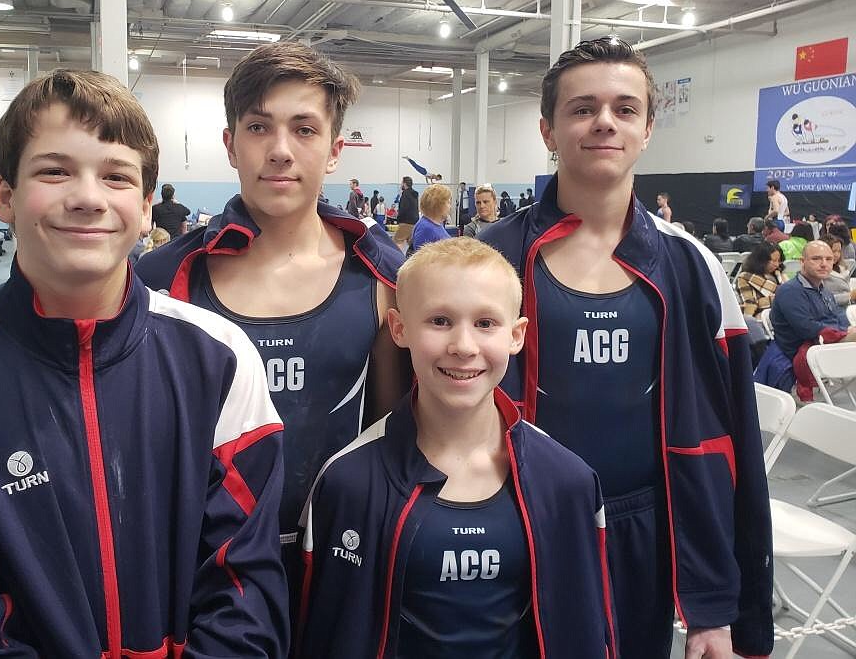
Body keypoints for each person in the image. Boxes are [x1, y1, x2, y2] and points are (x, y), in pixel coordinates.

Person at [0, 68, 289, 657]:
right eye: (55, 170)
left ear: (146, 208)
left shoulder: (219, 360)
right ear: (6, 197)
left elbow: (244, 586)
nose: (88, 197)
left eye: (116, 176)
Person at [481, 37, 772, 658]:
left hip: (642, 533)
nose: (605, 122)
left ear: (647, 128)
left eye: (624, 108)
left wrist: (716, 607)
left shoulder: (690, 268)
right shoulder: (489, 259)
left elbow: (729, 443)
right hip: (510, 522)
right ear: (548, 130)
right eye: (582, 108)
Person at [134, 43, 407, 607]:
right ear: (231, 144)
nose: (280, 151)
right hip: (203, 572)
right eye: (259, 127)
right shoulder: (163, 278)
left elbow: (391, 432)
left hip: (339, 561)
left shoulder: (381, 275)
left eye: (303, 130)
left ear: (334, 151)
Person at [297, 237, 616, 657]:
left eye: (486, 324)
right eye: (440, 321)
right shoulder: (347, 483)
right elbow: (320, 633)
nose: (463, 347)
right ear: (399, 328)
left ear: (517, 335)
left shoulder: (567, 482)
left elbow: (589, 626)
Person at [770, 240, 856, 357]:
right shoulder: (789, 291)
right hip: (808, 352)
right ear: (802, 262)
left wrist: (846, 329)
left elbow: (837, 317)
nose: (824, 264)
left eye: (829, 259)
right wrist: (842, 332)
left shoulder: (824, 290)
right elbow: (806, 328)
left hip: (828, 346)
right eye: (816, 259)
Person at [409, 183, 452, 255]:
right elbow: (422, 259)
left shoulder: (436, 224)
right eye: (448, 202)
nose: (450, 207)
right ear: (438, 205)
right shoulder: (426, 228)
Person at [393, 175, 419, 252]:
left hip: (406, 222)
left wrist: (398, 219)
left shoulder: (405, 194)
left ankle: (397, 261)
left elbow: (403, 208)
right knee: (412, 244)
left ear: (404, 184)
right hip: (414, 222)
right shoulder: (415, 195)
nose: (401, 184)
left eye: (401, 183)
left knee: (396, 243)